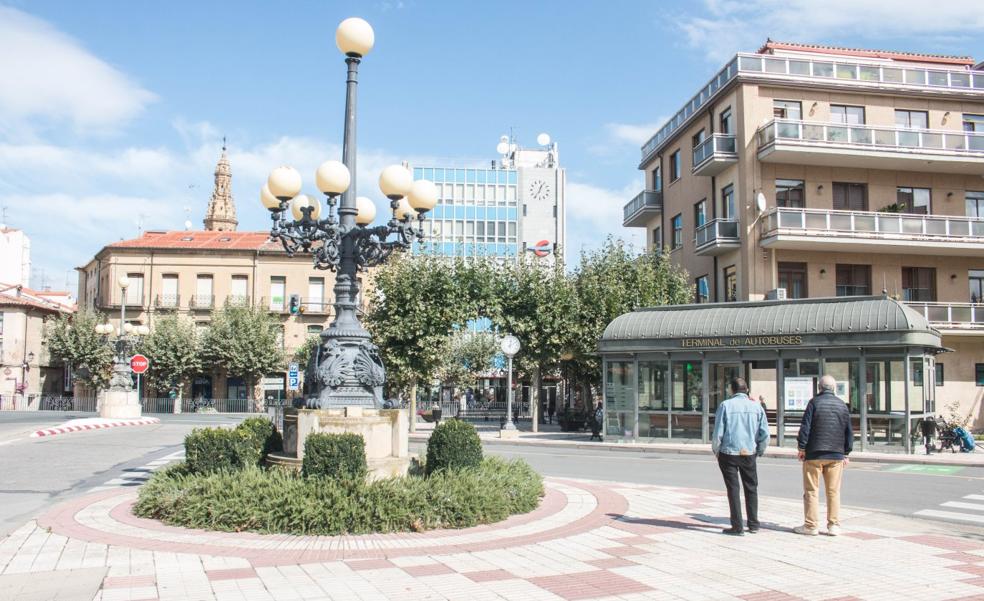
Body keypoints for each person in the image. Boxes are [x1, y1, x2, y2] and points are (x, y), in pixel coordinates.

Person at [794, 374, 852, 537]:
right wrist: (846, 452)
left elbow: (805, 427)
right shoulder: (842, 405)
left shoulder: (814, 403)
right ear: (834, 388)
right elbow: (848, 432)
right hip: (836, 454)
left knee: (811, 490)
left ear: (819, 388)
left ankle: (811, 526)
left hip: (814, 454)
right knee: (833, 491)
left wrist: (802, 448)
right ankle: (833, 525)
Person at [712, 377, 769, 536]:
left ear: (732, 390)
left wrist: (716, 450)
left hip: (728, 453)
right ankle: (753, 524)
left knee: (733, 489)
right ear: (747, 390)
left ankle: (737, 526)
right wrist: (759, 450)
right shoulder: (757, 407)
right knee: (751, 487)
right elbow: (765, 434)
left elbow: (718, 432)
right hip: (748, 452)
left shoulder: (725, 405)